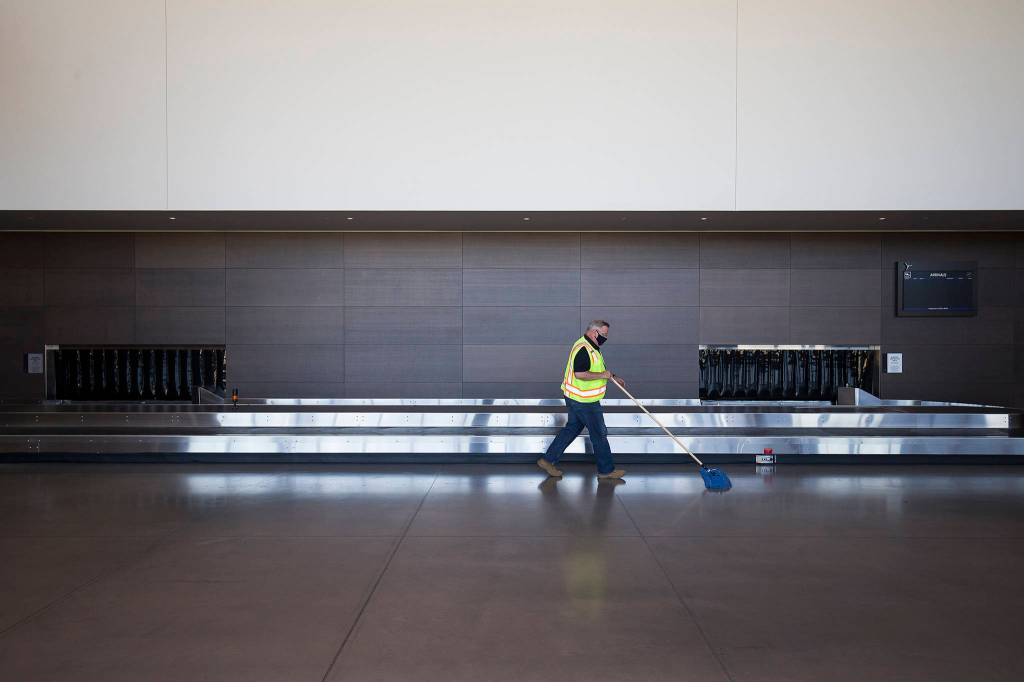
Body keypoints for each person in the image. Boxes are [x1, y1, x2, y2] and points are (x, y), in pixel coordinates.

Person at [537, 320, 626, 479]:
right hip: (584, 401)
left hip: (576, 397)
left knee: (572, 428)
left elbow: (596, 368)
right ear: (594, 332)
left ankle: (548, 460)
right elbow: (580, 374)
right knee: (599, 433)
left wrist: (612, 377)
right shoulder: (584, 349)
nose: (605, 338)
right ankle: (606, 471)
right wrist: (603, 376)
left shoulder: (590, 346)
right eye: (604, 334)